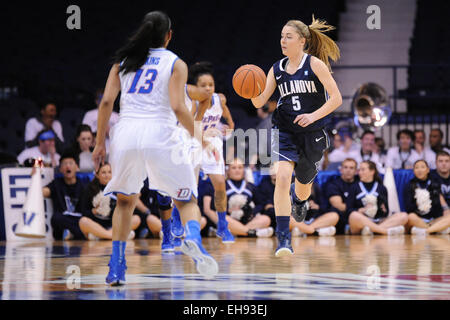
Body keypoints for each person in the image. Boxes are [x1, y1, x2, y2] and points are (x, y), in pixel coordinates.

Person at [92, 11, 219, 285]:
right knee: (186, 200)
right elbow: (176, 106)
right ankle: (192, 239)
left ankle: (116, 267)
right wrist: (200, 138)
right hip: (160, 133)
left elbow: (105, 104)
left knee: (125, 203)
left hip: (125, 134)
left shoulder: (122, 61)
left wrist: (100, 142)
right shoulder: (175, 63)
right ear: (169, 36)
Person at [249, 16, 342, 256]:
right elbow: (260, 101)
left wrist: (313, 116)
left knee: (303, 186)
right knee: (281, 177)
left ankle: (300, 202)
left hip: (311, 133)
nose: (283, 40)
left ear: (302, 41)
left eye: (288, 36)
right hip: (285, 130)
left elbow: (336, 99)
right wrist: (249, 89)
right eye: (281, 36)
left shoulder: (315, 65)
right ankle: (283, 238)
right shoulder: (276, 68)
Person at [188, 61, 236, 243]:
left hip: (212, 144)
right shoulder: (192, 102)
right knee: (188, 188)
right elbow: (190, 126)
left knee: (220, 186)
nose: (208, 89)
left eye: (211, 85)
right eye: (203, 86)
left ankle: (222, 226)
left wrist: (229, 127)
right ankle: (179, 221)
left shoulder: (219, 99)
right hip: (193, 143)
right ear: (195, 87)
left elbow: (229, 119)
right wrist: (203, 135)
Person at [202, 158, 274, 238]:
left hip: (248, 220)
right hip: (230, 218)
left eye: (240, 167)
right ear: (228, 171)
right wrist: (228, 211)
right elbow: (213, 206)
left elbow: (260, 204)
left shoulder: (251, 186)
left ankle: (237, 232)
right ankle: (253, 233)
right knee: (223, 218)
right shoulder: (222, 186)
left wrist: (251, 212)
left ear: (244, 170)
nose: (237, 170)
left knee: (266, 219)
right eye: (234, 168)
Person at [79, 162, 140, 240]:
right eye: (103, 173)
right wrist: (93, 211)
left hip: (114, 225)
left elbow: (128, 211)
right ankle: (113, 236)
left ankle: (102, 236)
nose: (107, 175)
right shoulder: (89, 189)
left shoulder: (119, 189)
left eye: (109, 172)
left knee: (136, 219)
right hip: (97, 224)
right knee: (83, 221)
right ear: (97, 175)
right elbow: (83, 212)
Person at [347, 160, 408, 235]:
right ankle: (384, 231)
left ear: (372, 171)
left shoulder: (381, 188)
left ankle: (373, 230)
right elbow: (349, 210)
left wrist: (380, 208)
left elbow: (385, 213)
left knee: (403, 216)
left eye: (363, 170)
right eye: (359, 170)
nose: (360, 173)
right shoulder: (354, 187)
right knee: (354, 215)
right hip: (361, 221)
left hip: (377, 221)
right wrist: (362, 210)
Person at [39, 151, 88, 240]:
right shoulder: (57, 183)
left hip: (78, 220)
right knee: (56, 218)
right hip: (62, 220)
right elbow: (43, 192)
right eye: (65, 164)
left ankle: (72, 233)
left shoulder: (83, 186)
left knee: (86, 221)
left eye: (70, 163)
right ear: (60, 169)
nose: (68, 166)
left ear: (77, 168)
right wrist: (35, 176)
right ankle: (77, 233)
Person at [404, 159, 450, 235]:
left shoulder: (435, 183)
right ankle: (436, 229)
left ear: (428, 170)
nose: (419, 170)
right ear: (413, 171)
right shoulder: (409, 185)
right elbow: (408, 209)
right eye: (416, 167)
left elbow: (439, 206)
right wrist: (419, 203)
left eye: (422, 167)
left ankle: (427, 231)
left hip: (433, 219)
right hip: (418, 219)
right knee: (410, 217)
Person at [324, 158, 359, 234]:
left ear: (356, 171)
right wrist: (359, 210)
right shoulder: (333, 184)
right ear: (341, 170)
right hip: (341, 219)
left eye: (351, 168)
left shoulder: (360, 183)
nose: (348, 170)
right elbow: (338, 205)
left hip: (358, 216)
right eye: (345, 167)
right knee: (335, 212)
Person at [82, 89, 120, 153]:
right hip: (94, 151)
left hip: (112, 151)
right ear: (96, 101)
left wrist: (110, 133)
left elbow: (122, 138)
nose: (104, 102)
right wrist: (100, 132)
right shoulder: (89, 115)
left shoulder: (117, 116)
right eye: (101, 99)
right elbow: (83, 134)